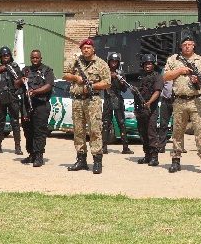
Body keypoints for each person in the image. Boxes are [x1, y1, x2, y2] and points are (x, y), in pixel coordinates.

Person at [163, 36, 201, 175]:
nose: (187, 46)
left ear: (194, 46)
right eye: (184, 44)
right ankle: (175, 160)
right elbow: (166, 76)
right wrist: (180, 71)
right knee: (177, 131)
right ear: (181, 46)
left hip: (196, 100)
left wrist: (200, 79)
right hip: (179, 100)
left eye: (190, 44)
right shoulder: (173, 59)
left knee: (200, 131)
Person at [62, 39, 111, 174]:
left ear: (93, 49)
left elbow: (107, 83)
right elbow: (65, 74)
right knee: (78, 131)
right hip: (77, 101)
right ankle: (81, 159)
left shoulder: (101, 64)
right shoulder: (76, 62)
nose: (86, 50)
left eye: (88, 48)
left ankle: (97, 161)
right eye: (84, 48)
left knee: (95, 130)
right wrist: (76, 78)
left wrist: (92, 86)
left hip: (92, 100)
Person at [19, 49, 55, 167]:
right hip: (27, 105)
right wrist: (21, 80)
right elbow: (16, 84)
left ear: (41, 58)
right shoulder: (26, 70)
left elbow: (48, 86)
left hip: (41, 105)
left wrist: (35, 92)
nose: (35, 60)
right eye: (33, 58)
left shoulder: (47, 70)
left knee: (39, 131)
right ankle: (31, 154)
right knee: (28, 131)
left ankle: (39, 156)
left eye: (37, 58)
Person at [0, 46, 24, 155]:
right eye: (3, 56)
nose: (5, 58)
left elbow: (18, 82)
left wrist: (9, 69)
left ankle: (17, 146)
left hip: (12, 96)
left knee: (15, 122)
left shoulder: (15, 67)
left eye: (7, 55)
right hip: (0, 97)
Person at [134, 54, 163, 166]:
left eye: (150, 63)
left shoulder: (157, 76)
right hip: (140, 109)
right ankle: (147, 155)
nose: (147, 66)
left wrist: (149, 102)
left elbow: (157, 91)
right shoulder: (141, 77)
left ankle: (154, 157)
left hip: (151, 109)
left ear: (154, 65)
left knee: (151, 133)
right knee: (142, 133)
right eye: (145, 64)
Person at [102, 52, 133, 155]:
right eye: (112, 61)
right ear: (109, 62)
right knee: (106, 123)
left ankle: (125, 147)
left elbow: (124, 89)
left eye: (115, 61)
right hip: (107, 99)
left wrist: (120, 79)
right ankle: (104, 147)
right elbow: (102, 84)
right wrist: (110, 76)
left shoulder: (121, 73)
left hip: (118, 99)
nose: (114, 63)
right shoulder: (105, 72)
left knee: (121, 123)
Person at [157, 80, 174, 152]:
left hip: (178, 101)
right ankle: (161, 146)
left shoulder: (182, 73)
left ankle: (179, 146)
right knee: (163, 124)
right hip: (166, 100)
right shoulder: (166, 73)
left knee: (179, 125)